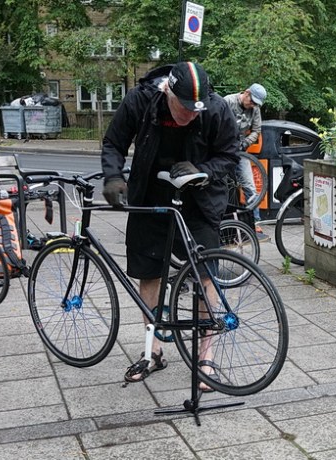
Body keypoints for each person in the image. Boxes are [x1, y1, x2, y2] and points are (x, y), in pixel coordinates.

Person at [101, 61, 240, 389]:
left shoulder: (216, 109)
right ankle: (154, 351)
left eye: (197, 109)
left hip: (199, 199)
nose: (192, 114)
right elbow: (114, 142)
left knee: (206, 274)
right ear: (168, 92)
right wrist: (113, 176)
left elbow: (231, 156)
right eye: (185, 108)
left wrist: (202, 168)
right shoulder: (140, 100)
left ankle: (206, 358)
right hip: (151, 196)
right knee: (149, 273)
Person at [223, 83, 270, 241]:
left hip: (241, 148)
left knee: (250, 185)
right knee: (220, 185)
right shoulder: (228, 101)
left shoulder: (255, 109)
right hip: (222, 148)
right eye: (252, 101)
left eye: (256, 103)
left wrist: (245, 143)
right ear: (247, 93)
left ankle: (254, 222)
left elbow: (257, 131)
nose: (253, 105)